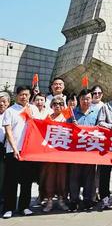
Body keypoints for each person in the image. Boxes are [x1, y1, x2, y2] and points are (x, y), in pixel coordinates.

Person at [2, 86, 35, 218]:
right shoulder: (10, 111)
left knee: (27, 181)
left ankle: (24, 207)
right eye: (21, 94)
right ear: (17, 95)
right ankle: (9, 208)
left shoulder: (31, 109)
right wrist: (15, 148)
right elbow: (8, 131)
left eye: (26, 94)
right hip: (13, 150)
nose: (24, 97)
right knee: (11, 181)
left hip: (28, 151)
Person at [67, 89, 99, 211]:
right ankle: (74, 200)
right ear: (79, 100)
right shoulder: (72, 113)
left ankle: (87, 200)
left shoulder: (96, 112)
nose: (85, 101)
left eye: (88, 99)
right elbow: (64, 130)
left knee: (89, 177)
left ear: (91, 99)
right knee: (74, 176)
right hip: (76, 150)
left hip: (90, 149)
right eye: (83, 99)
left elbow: (100, 129)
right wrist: (72, 126)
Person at [41, 97, 69, 212]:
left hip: (63, 153)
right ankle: (49, 200)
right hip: (50, 153)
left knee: (62, 177)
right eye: (55, 104)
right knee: (50, 177)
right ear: (51, 106)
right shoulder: (48, 117)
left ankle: (62, 200)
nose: (58, 106)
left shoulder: (67, 118)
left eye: (60, 104)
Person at [0, 92, 12, 208]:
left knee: (3, 176)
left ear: (8, 103)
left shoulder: (10, 114)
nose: (1, 104)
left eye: (4, 101)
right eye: (0, 101)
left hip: (4, 149)